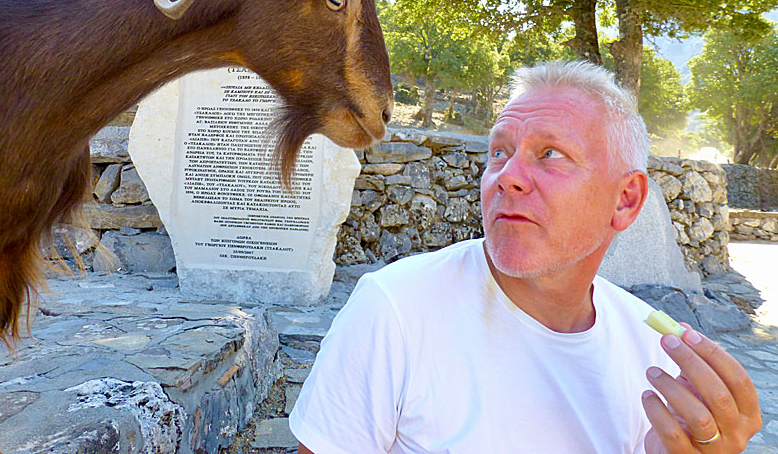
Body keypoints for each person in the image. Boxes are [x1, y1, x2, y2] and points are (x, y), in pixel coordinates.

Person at [289, 60, 762, 454]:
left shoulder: (654, 357)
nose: (506, 177)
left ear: (626, 200)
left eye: (550, 153)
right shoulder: (396, 308)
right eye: (499, 152)